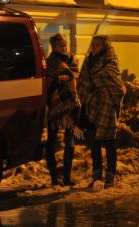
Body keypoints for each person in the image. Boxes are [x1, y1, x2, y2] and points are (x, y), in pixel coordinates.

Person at [78, 35, 126, 189]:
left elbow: (117, 86)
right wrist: (89, 90)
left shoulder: (110, 61)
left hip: (106, 105)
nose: (95, 47)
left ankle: (110, 176)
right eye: (94, 44)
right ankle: (97, 174)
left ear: (105, 46)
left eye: (98, 44)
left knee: (109, 142)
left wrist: (97, 81)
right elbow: (83, 80)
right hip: (92, 105)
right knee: (93, 142)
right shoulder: (89, 60)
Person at [46, 33, 80, 186]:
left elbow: (76, 77)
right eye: (61, 46)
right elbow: (46, 83)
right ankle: (54, 178)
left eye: (65, 45)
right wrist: (57, 80)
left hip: (70, 103)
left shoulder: (72, 60)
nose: (64, 48)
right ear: (54, 47)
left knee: (70, 140)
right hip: (55, 103)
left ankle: (67, 176)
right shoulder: (50, 62)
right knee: (51, 140)